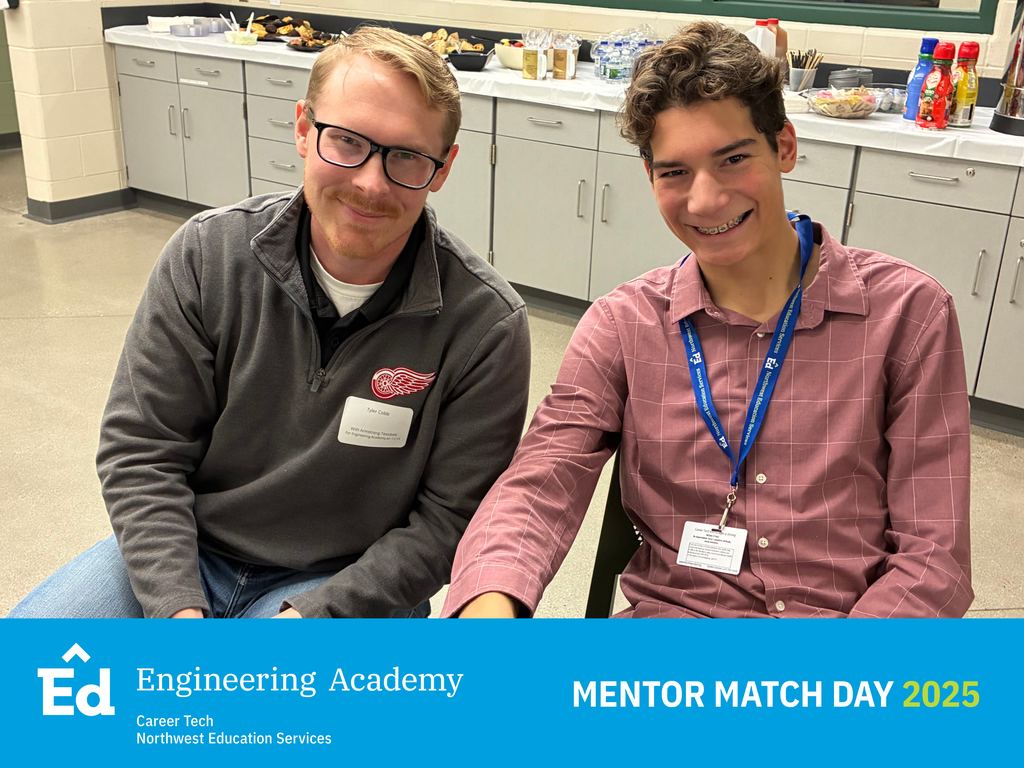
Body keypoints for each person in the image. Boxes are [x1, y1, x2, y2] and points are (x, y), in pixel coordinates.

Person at [443, 21, 973, 619]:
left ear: (785, 147)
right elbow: (540, 480)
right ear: (649, 178)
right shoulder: (624, 325)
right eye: (675, 173)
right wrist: (490, 602)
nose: (704, 200)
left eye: (733, 159)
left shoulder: (908, 314)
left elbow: (935, 559)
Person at [8, 26, 531, 619]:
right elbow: (143, 449)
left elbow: (449, 522)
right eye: (348, 141)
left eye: (407, 156)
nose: (369, 181)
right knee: (30, 681)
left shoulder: (485, 325)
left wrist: (309, 621)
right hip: (190, 548)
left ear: (442, 168)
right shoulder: (209, 256)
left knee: (263, 707)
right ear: (305, 130)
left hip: (343, 584)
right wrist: (177, 610)